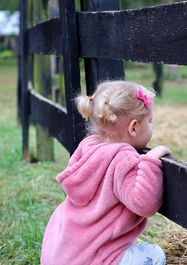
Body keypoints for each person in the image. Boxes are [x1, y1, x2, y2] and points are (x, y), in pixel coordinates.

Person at [41, 80, 171, 265]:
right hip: (91, 259)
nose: (152, 127)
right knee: (155, 255)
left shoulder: (88, 146)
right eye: (150, 122)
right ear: (134, 127)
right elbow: (145, 204)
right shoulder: (122, 158)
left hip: (62, 253)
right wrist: (150, 161)